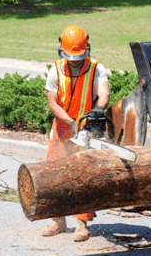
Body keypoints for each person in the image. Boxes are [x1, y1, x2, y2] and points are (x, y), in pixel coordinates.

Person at [42, 25, 110, 242]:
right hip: (63, 126)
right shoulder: (55, 70)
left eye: (78, 57)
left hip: (87, 128)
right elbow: (52, 103)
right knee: (56, 172)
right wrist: (70, 122)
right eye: (71, 57)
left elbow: (104, 93)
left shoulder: (96, 68)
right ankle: (57, 219)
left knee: (85, 175)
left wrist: (98, 110)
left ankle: (81, 222)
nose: (74, 60)